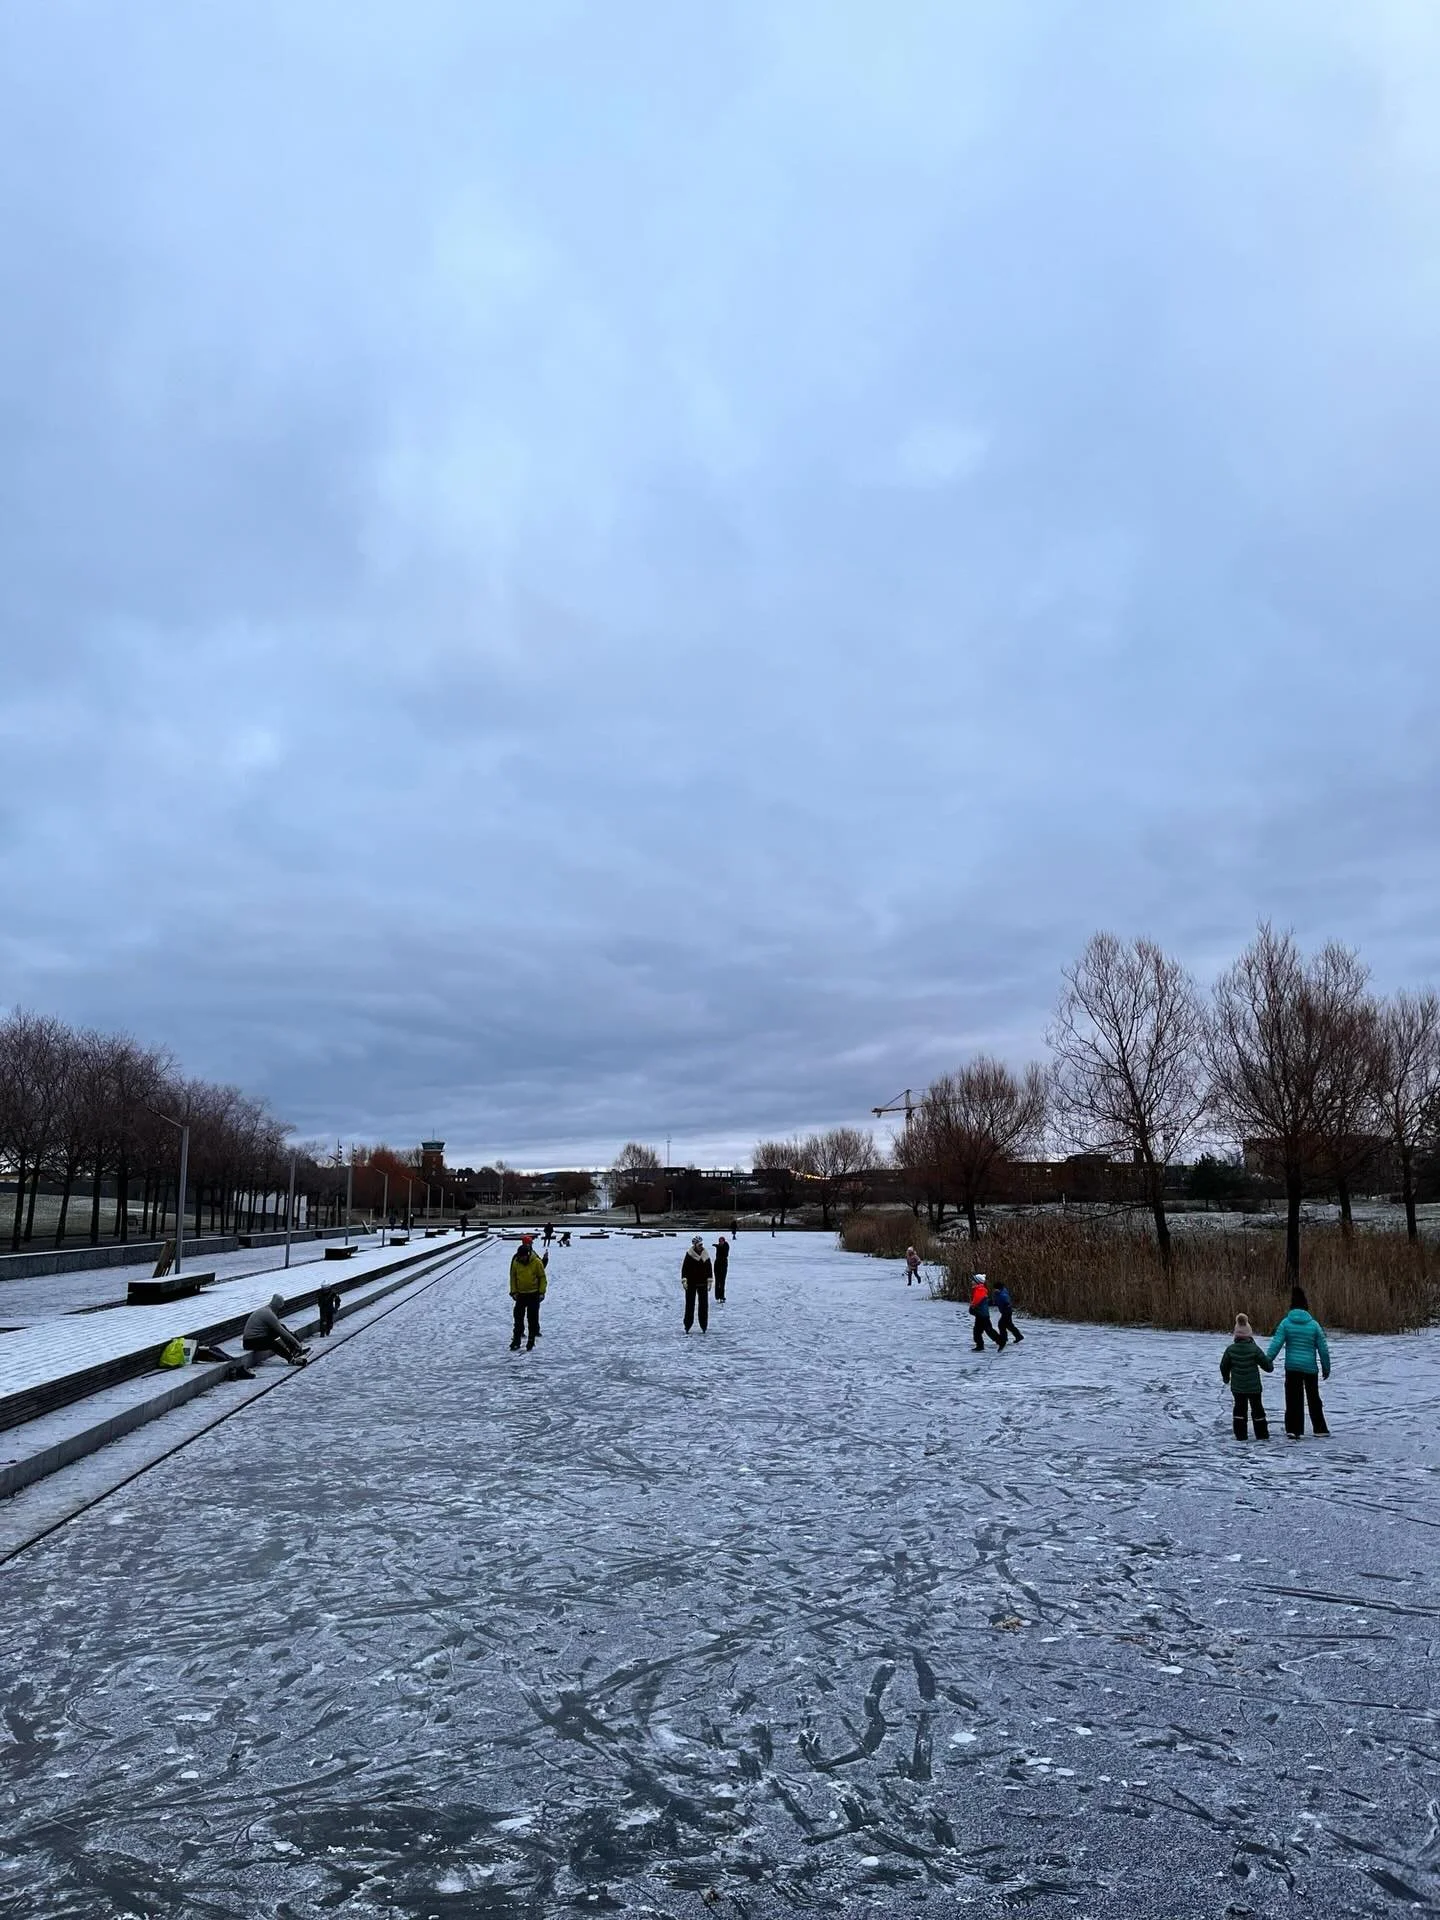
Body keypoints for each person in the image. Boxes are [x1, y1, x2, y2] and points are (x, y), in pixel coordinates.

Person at [1265, 1287, 1331, 1437]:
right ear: (1306, 1306)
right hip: (1310, 1368)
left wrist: (1267, 1361)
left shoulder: (1286, 1323)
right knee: (1313, 1398)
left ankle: (1294, 1429)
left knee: (1293, 1398)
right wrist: (1326, 1368)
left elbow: (1276, 1344)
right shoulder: (1314, 1325)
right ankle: (1320, 1428)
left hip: (1292, 1367)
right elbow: (1323, 1349)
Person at [1220, 1313, 1273, 1439]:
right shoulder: (1254, 1349)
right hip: (1254, 1387)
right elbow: (1268, 1367)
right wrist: (1269, 1363)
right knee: (1257, 1409)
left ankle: (1240, 1435)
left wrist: (1226, 1378)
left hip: (1238, 1387)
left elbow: (1223, 1366)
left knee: (1239, 1409)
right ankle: (1262, 1434)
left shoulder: (1230, 1350)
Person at [241, 1293, 309, 1369]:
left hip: (254, 1339)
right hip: (250, 1342)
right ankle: (291, 1359)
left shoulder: (266, 1310)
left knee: (279, 1329)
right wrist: (296, 1342)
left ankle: (294, 1350)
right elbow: (282, 1332)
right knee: (273, 1342)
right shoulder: (269, 1314)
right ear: (278, 1306)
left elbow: (281, 1329)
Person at [509, 1233, 549, 1350]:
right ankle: (516, 1339)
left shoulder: (535, 1260)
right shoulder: (516, 1260)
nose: (521, 1259)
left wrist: (541, 1292)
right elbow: (513, 1276)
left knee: (532, 1318)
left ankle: (531, 1340)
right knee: (518, 1317)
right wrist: (513, 1291)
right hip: (520, 1294)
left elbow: (542, 1276)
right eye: (530, 1242)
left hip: (533, 1293)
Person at [682, 1235, 713, 1333]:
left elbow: (709, 1268)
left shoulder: (705, 1254)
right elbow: (685, 1268)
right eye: (699, 1244)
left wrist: (709, 1280)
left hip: (703, 1283)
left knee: (704, 1306)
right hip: (691, 1283)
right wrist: (684, 1280)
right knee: (689, 1305)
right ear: (695, 1245)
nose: (701, 1246)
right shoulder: (689, 1255)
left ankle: (704, 1325)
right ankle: (687, 1325)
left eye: (702, 1244)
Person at [969, 1274, 1002, 1351]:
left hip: (982, 1314)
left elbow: (977, 1300)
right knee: (979, 1331)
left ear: (977, 1282)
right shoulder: (980, 1289)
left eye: (973, 1280)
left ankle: (1000, 1341)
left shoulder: (980, 1289)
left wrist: (972, 1306)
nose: (972, 1282)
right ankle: (980, 1345)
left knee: (987, 1330)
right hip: (981, 1314)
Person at [992, 1281, 1024, 1347]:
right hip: (1006, 1311)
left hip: (1006, 1311)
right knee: (1009, 1325)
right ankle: (1018, 1336)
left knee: (1001, 1325)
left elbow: (1005, 1300)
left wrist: (1006, 1304)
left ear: (998, 1288)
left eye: (995, 1288)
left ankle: (1004, 1339)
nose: (994, 1290)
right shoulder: (1002, 1292)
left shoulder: (1002, 1294)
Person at [713, 1234, 730, 1303]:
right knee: (717, 1281)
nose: (720, 1242)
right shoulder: (719, 1246)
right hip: (717, 1265)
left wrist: (718, 1246)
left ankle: (722, 1296)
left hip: (723, 1265)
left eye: (721, 1241)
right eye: (719, 1241)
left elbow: (725, 1254)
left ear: (724, 1241)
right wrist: (717, 1246)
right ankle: (717, 1296)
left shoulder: (726, 1246)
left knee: (722, 1282)